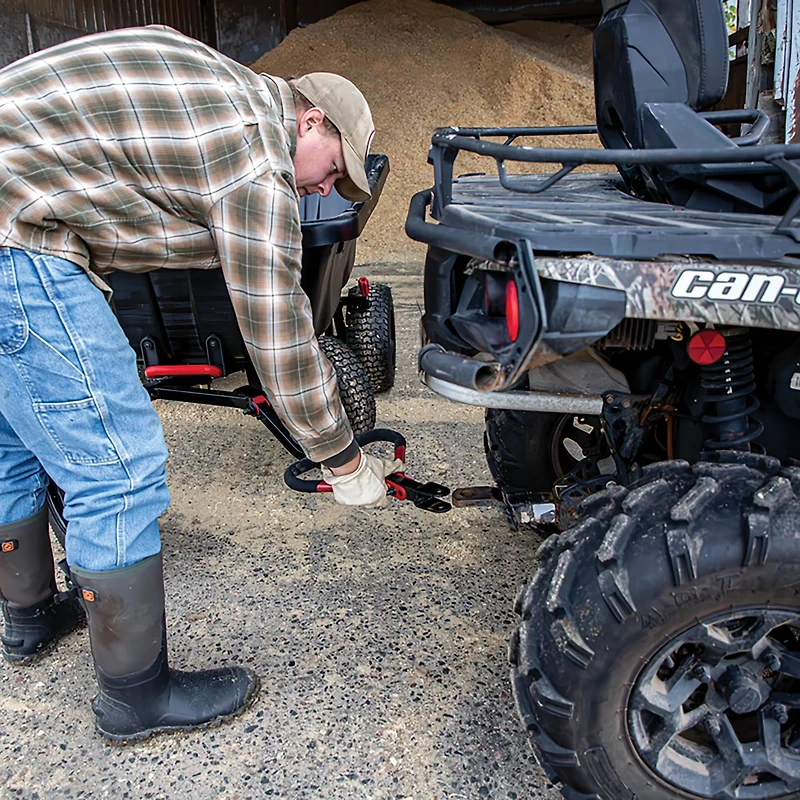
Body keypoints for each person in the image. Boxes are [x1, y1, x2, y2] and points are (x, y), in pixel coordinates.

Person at [0, 24, 401, 743]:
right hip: (19, 245)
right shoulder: (256, 155)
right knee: (118, 473)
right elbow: (277, 332)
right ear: (310, 119)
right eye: (331, 168)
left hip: (16, 211)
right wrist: (343, 460)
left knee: (17, 444)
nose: (322, 187)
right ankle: (135, 697)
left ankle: (29, 619)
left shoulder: (217, 89)